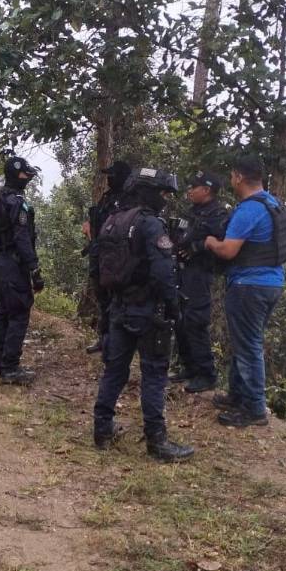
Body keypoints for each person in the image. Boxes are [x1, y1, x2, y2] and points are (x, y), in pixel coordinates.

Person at [91, 168, 195, 462]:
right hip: (148, 312)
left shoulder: (112, 221)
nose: (164, 199)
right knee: (154, 374)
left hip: (119, 308)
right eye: (161, 193)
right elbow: (163, 273)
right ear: (147, 192)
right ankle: (157, 441)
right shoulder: (150, 225)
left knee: (115, 370)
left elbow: (99, 269)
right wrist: (174, 308)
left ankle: (102, 428)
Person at [203, 154, 286, 427]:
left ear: (239, 177)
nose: (231, 180)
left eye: (232, 176)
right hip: (271, 283)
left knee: (249, 345)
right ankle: (237, 395)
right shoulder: (273, 204)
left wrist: (210, 243)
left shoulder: (248, 210)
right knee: (245, 341)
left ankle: (254, 409)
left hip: (248, 285)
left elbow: (228, 250)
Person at [0, 154, 45, 385]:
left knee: (3, 313)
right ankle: (10, 368)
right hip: (13, 263)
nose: (27, 179)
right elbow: (22, 238)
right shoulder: (17, 203)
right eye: (24, 175)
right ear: (17, 175)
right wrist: (34, 269)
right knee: (18, 313)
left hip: (0, 260)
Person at [170, 171, 231, 393]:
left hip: (200, 274)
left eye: (194, 187)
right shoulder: (191, 211)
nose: (189, 190)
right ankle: (189, 367)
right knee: (179, 319)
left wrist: (195, 248)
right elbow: (179, 235)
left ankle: (206, 374)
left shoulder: (219, 214)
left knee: (196, 321)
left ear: (206, 190)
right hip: (181, 272)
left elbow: (220, 243)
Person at [84, 161, 132, 354]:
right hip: (99, 253)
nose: (109, 179)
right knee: (102, 298)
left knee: (116, 300)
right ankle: (104, 339)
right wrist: (89, 226)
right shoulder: (107, 197)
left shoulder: (128, 200)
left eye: (113, 175)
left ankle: (116, 342)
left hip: (115, 258)